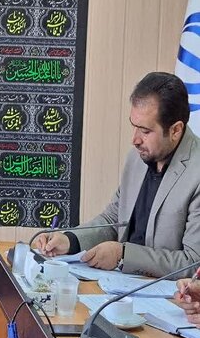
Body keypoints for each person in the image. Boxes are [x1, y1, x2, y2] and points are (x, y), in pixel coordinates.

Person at [34, 72, 200, 278]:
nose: (135, 140)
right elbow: (113, 220)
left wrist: (123, 255)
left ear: (175, 130)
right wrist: (70, 239)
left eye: (145, 131)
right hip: (118, 285)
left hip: (169, 293)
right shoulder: (138, 157)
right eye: (134, 126)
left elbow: (193, 263)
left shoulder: (196, 173)